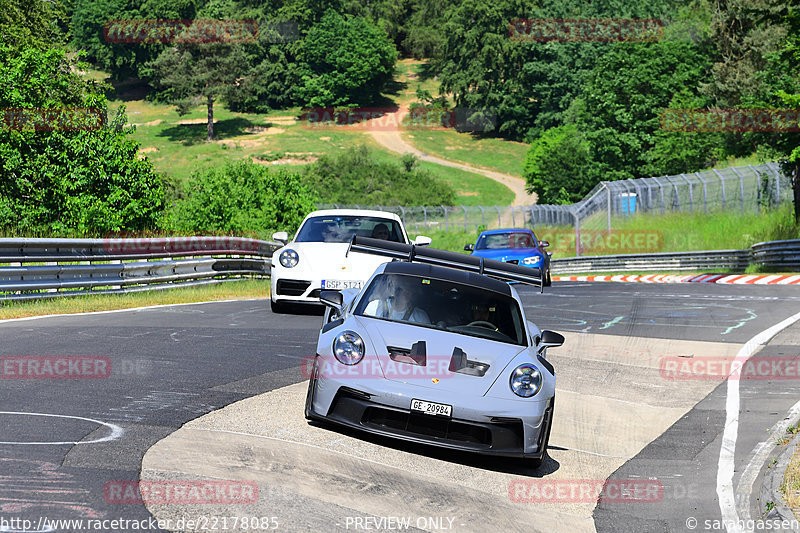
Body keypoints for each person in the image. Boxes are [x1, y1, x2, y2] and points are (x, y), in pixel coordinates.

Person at [364, 276, 430, 324]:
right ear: (397, 290)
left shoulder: (421, 317)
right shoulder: (375, 305)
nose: (408, 292)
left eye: (411, 289)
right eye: (404, 288)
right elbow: (363, 324)